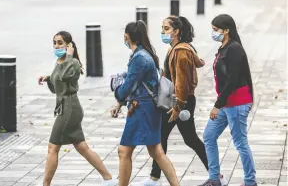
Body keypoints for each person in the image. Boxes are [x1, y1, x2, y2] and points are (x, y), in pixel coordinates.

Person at [136, 16, 227, 186]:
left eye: (166, 29)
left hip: (179, 101)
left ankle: (156, 178)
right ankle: (216, 175)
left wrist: (178, 106)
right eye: (162, 28)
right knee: (181, 138)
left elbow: (182, 84)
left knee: (171, 137)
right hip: (178, 100)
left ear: (176, 31)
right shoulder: (175, 48)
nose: (162, 32)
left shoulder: (180, 51)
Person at [38, 31, 118, 186]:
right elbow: (57, 87)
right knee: (82, 147)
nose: (56, 46)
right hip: (66, 107)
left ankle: (45, 184)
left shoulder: (73, 63)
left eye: (60, 42)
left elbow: (64, 77)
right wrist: (47, 78)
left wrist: (69, 56)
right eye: (54, 42)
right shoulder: (60, 62)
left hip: (70, 108)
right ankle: (108, 179)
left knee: (52, 148)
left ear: (69, 45)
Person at [110, 20, 179, 186]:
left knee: (124, 151)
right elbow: (136, 83)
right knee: (156, 151)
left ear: (127, 36)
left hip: (142, 109)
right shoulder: (143, 54)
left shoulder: (140, 58)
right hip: (147, 107)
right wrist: (119, 103)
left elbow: (127, 87)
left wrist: (116, 90)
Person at [198, 14, 256, 186]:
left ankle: (250, 181)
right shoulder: (224, 47)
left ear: (227, 30)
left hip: (236, 102)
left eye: (216, 30)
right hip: (227, 103)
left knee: (240, 142)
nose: (213, 33)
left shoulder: (234, 48)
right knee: (209, 136)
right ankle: (214, 178)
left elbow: (232, 80)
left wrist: (217, 105)